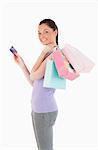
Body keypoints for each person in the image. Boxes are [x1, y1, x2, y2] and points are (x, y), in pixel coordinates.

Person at [13, 19, 59, 150]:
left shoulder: (53, 54)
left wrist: (43, 52)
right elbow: (35, 83)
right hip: (39, 110)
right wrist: (21, 64)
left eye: (46, 31)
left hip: (44, 111)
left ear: (55, 32)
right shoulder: (49, 54)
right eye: (39, 33)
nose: (42, 36)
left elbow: (34, 75)